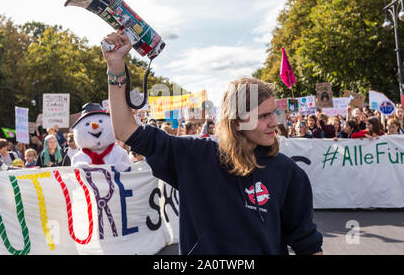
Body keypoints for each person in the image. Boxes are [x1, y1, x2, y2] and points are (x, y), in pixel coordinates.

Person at [102, 31, 323, 255]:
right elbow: (125, 130)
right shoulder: (193, 156)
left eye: (274, 113)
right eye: (263, 116)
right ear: (237, 122)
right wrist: (116, 66)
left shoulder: (289, 173)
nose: (274, 122)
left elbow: (308, 244)